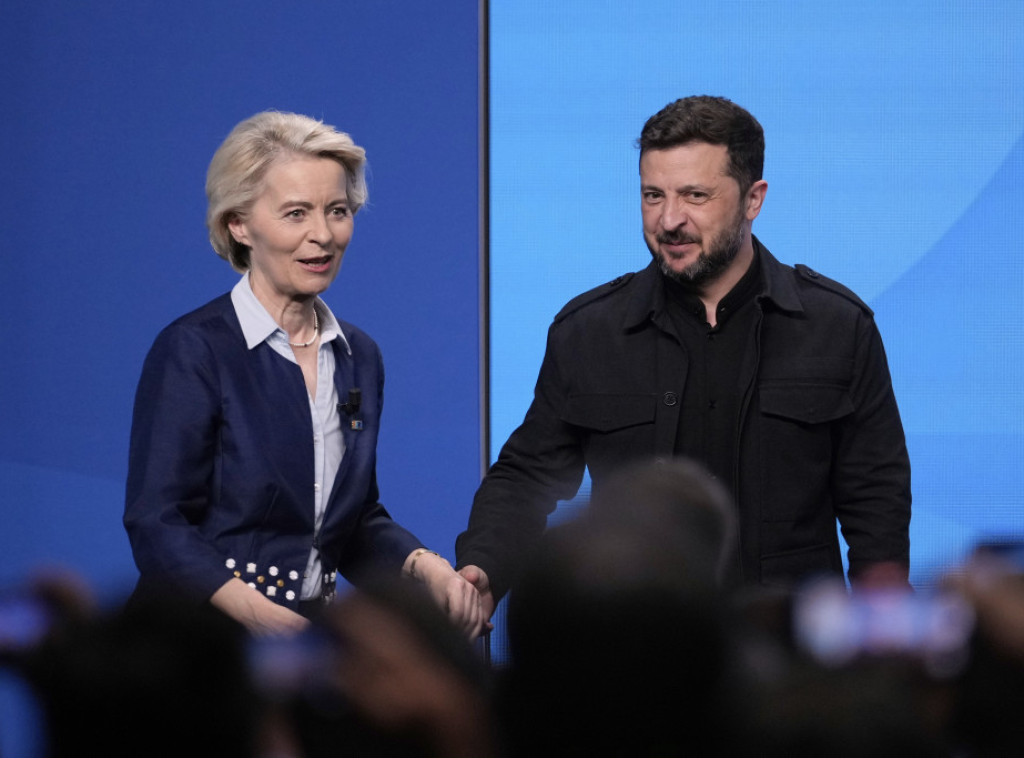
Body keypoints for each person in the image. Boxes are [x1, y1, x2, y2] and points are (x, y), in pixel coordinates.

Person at [457, 95, 911, 615]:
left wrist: (885, 626)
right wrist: (483, 570)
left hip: (788, 650)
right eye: (653, 195)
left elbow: (876, 497)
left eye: (695, 195)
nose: (669, 220)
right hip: (635, 642)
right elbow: (526, 477)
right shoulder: (587, 332)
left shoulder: (837, 327)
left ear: (753, 199)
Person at [124, 111, 484, 638]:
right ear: (238, 224)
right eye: (296, 213)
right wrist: (267, 622)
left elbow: (349, 520)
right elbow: (157, 523)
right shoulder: (195, 350)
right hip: (201, 645)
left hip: (305, 639)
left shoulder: (358, 355)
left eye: (337, 211)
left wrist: (426, 568)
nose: (323, 235)